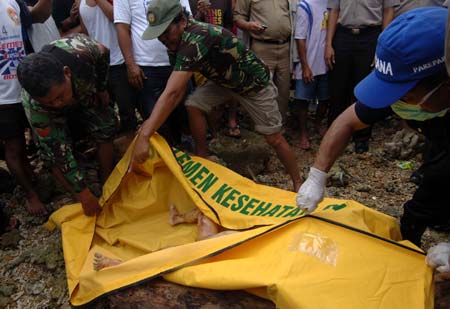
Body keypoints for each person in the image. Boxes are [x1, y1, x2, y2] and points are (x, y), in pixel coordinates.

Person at [296, 7, 450, 247]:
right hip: (439, 143)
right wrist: (317, 176)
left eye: (405, 95)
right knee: (424, 201)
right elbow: (346, 122)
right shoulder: (403, 90)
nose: (397, 103)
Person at [131, 0, 302, 191]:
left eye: (165, 32)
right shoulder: (175, 42)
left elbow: (172, 93)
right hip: (224, 82)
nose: (163, 39)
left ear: (181, 21)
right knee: (193, 104)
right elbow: (175, 90)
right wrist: (150, 124)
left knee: (274, 138)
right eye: (158, 35)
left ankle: (298, 183)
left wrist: (146, 133)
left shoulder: (196, 38)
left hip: (253, 84)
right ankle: (203, 160)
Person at [17, 33, 117, 217]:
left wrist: (101, 87)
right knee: (51, 154)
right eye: (50, 102)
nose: (58, 104)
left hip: (84, 88)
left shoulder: (83, 50)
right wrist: (83, 195)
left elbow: (104, 55)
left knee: (106, 126)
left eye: (60, 97)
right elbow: (59, 154)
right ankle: (79, 197)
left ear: (67, 73)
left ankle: (108, 177)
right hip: (50, 114)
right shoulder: (35, 105)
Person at [114, 0, 191, 145]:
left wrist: (187, 57)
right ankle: (167, 156)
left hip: (179, 62)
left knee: (184, 112)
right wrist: (131, 65)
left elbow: (187, 17)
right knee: (156, 119)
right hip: (146, 66)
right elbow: (122, 28)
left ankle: (187, 154)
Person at [325, 0, 398, 154]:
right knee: (338, 88)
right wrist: (328, 44)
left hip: (370, 36)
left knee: (365, 90)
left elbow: (388, 11)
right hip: (343, 35)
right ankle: (334, 135)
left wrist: (382, 45)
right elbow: (333, 12)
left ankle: (362, 138)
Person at [0, 0, 51, 216]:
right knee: (14, 147)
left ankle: (33, 176)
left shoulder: (10, 2)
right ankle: (31, 194)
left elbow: (39, 15)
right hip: (2, 97)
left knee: (40, 136)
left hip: (26, 85)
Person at [79, 0, 136, 143]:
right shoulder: (80, 2)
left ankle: (134, 147)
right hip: (97, 65)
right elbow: (85, 32)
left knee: (127, 110)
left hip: (118, 61)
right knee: (104, 111)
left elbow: (117, 17)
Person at [234, 0, 293, 120]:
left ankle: (279, 124)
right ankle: (262, 125)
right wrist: (248, 25)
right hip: (262, 46)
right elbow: (238, 17)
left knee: (283, 90)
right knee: (262, 89)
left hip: (285, 47)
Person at [293, 0, 330, 150]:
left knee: (325, 99)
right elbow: (300, 38)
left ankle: (318, 122)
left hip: (326, 63)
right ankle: (303, 132)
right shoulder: (305, 6)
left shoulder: (331, 4)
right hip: (309, 63)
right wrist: (305, 66)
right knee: (303, 100)